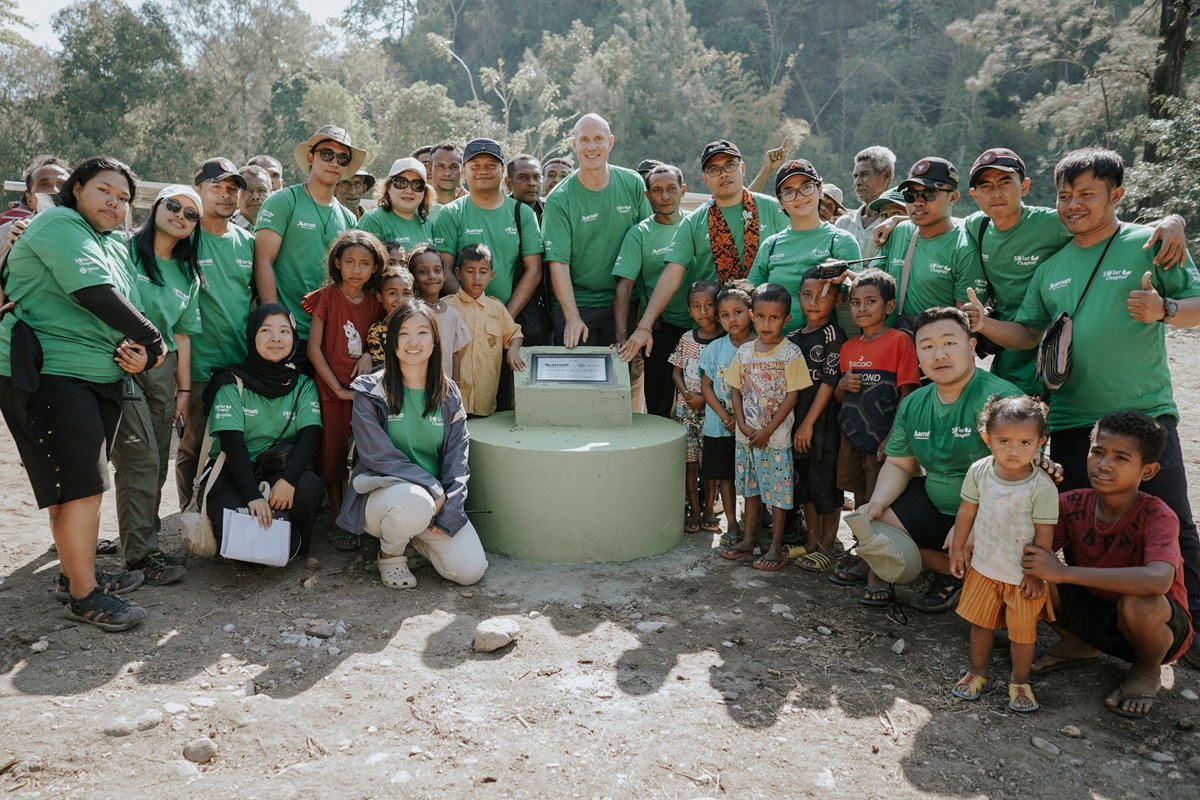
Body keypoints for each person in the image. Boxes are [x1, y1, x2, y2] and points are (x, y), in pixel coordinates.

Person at [969, 147, 1200, 665]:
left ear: (1116, 196)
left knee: (1174, 524)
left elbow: (1196, 307)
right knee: (1075, 533)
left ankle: (1190, 630)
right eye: (1065, 195)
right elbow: (1028, 333)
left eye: (1087, 194)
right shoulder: (1051, 266)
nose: (1073, 205)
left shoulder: (1151, 243)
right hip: (1074, 420)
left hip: (1142, 416)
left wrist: (1164, 309)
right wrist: (983, 325)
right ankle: (1084, 638)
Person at [0, 156, 164, 632]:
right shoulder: (59, 222)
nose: (114, 203)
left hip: (97, 377)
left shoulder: (113, 243)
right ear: (76, 189)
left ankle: (74, 574)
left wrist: (134, 350)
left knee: (71, 487)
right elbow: (92, 292)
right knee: (85, 486)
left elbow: (118, 306)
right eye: (104, 190)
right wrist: (152, 340)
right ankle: (84, 595)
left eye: (124, 198)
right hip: (50, 373)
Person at [960, 147, 1188, 395]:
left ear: (1025, 186)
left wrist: (1173, 222)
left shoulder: (1054, 223)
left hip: (1056, 348)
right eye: (986, 186)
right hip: (1009, 342)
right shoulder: (977, 226)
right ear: (974, 195)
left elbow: (1110, 231)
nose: (996, 193)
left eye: (1005, 182)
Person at [1023, 412, 1193, 718]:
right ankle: (1077, 644)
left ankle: (1146, 671)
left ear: (1148, 470)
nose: (1104, 465)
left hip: (1156, 626)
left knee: (1141, 604)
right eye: (1098, 452)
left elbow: (1158, 581)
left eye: (1121, 457)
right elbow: (1032, 547)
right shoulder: (1072, 502)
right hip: (1096, 609)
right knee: (1032, 576)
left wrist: (1063, 573)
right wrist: (1035, 484)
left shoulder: (1157, 515)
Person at [856, 307, 1023, 613]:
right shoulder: (915, 402)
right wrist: (877, 503)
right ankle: (951, 572)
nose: (939, 354)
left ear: (972, 347)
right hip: (939, 501)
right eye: (928, 346)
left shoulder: (1002, 401)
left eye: (949, 342)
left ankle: (996, 594)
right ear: (917, 354)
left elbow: (1017, 481)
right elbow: (899, 463)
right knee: (878, 525)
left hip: (993, 510)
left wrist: (969, 525)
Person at [337, 301, 489, 589]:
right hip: (385, 498)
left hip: (435, 502)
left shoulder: (448, 392)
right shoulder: (370, 391)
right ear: (392, 341)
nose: (414, 342)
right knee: (414, 503)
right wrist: (432, 487)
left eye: (422, 332)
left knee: (470, 571)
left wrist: (451, 505)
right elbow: (378, 455)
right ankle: (391, 554)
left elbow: (458, 456)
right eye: (404, 334)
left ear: (435, 340)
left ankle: (412, 538)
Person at [618, 140, 788, 363]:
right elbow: (671, 275)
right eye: (714, 169)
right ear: (705, 178)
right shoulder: (695, 221)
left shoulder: (773, 208)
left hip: (770, 328)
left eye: (730, 165)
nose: (723, 174)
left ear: (742, 168)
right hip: (717, 333)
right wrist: (644, 326)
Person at [111, 185, 205, 586]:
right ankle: (141, 556)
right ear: (156, 206)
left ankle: (142, 541)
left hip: (164, 372)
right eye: (173, 206)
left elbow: (183, 336)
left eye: (190, 213)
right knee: (139, 461)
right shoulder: (121, 249)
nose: (180, 215)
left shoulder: (188, 272)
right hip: (121, 364)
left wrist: (183, 392)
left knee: (158, 465)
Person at [949, 396, 1058, 712]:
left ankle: (1020, 681)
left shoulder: (1042, 487)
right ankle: (977, 672)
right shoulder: (980, 471)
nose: (1015, 450)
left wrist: (1036, 574)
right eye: (1004, 441)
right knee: (981, 624)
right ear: (987, 439)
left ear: (1040, 442)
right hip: (984, 567)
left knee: (1023, 635)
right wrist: (957, 548)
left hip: (1023, 576)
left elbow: (1045, 534)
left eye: (1025, 442)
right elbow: (966, 512)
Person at [200, 305, 323, 556]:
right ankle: (269, 544)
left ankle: (288, 543)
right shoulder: (231, 382)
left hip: (277, 471)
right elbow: (232, 443)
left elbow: (310, 437)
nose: (276, 338)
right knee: (244, 549)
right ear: (252, 335)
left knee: (309, 485)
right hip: (232, 474)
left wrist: (288, 479)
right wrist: (252, 496)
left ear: (294, 338)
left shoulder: (303, 384)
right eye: (266, 330)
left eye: (284, 331)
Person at [833, 270, 920, 599]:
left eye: (871, 301)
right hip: (851, 438)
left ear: (890, 306)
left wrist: (893, 438)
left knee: (878, 504)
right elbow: (842, 396)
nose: (862, 308)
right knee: (859, 499)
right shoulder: (848, 347)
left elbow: (908, 394)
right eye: (855, 302)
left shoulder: (900, 341)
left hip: (884, 440)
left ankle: (879, 573)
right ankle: (863, 556)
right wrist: (842, 386)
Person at [177, 157, 255, 508]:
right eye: (217, 187)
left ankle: (220, 513)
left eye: (232, 188)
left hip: (238, 364)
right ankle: (187, 514)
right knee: (193, 444)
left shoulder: (247, 241)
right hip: (196, 367)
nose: (226, 195)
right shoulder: (183, 237)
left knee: (234, 442)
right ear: (198, 190)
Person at [254, 125, 363, 369]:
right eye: (327, 154)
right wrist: (275, 321)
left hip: (330, 336)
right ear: (310, 157)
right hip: (287, 333)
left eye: (342, 158)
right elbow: (263, 260)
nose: (334, 162)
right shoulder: (283, 201)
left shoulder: (349, 218)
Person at [718, 283, 811, 571]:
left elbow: (792, 395)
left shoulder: (791, 353)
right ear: (751, 315)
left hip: (776, 439)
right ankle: (748, 539)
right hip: (746, 438)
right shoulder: (745, 352)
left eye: (774, 318)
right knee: (751, 489)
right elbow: (735, 389)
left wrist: (767, 431)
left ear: (786, 319)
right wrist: (744, 426)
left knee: (779, 493)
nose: (766, 324)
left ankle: (775, 546)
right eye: (760, 316)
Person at [302, 230, 385, 550]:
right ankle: (340, 520)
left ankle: (366, 517)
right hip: (329, 391)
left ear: (375, 268)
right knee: (332, 457)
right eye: (349, 261)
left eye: (364, 263)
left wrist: (366, 353)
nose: (356, 269)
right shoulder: (325, 298)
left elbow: (379, 338)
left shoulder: (376, 302)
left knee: (366, 455)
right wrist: (335, 388)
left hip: (367, 394)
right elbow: (313, 349)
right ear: (337, 262)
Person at [542, 113, 652, 348]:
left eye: (598, 139)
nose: (591, 147)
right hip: (579, 304)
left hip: (626, 302)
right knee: (577, 381)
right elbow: (558, 263)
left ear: (610, 142)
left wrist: (646, 309)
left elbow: (647, 246)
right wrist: (572, 317)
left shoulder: (632, 183)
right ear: (574, 145)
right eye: (584, 140)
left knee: (625, 380)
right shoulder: (559, 199)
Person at [432, 139, 543, 321]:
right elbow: (445, 269)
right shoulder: (451, 213)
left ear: (502, 170)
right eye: (475, 166)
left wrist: (505, 318)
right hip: (464, 319)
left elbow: (534, 270)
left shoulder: (522, 213)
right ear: (463, 171)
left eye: (491, 165)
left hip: (512, 318)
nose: (483, 171)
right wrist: (471, 312)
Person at [747, 159, 861, 336]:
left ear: (820, 190)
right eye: (789, 192)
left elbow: (857, 301)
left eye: (806, 187)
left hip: (824, 352)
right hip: (772, 349)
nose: (799, 196)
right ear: (781, 202)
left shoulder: (841, 241)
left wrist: (846, 279)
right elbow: (750, 295)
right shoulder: (771, 245)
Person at [612, 164, 690, 417]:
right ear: (647, 196)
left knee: (699, 402)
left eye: (671, 189)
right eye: (657, 190)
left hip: (702, 328)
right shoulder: (639, 234)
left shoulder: (697, 224)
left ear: (683, 191)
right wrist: (623, 337)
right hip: (660, 329)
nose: (664, 196)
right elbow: (624, 287)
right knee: (659, 406)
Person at [873, 157, 986, 326]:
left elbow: (964, 325)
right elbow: (873, 282)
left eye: (929, 194)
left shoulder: (964, 249)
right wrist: (843, 276)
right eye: (910, 195)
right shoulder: (898, 231)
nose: (918, 202)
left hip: (935, 349)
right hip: (892, 346)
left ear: (953, 197)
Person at [787, 267, 847, 571]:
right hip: (795, 426)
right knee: (806, 486)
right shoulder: (792, 337)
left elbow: (829, 381)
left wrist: (808, 423)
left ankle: (827, 546)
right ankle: (812, 541)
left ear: (837, 300)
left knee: (827, 488)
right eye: (807, 295)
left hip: (822, 426)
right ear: (799, 298)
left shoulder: (833, 335)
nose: (813, 302)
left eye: (822, 296)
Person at [700, 281, 755, 546]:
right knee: (726, 476)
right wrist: (725, 415)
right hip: (720, 426)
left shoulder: (762, 345)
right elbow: (706, 386)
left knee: (755, 476)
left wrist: (743, 419)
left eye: (738, 312)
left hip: (755, 427)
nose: (731, 319)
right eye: (724, 315)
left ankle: (754, 525)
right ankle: (732, 523)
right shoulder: (714, 349)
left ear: (751, 312)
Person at [444, 243, 526, 416]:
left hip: (485, 402)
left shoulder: (496, 308)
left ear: (491, 275)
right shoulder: (446, 306)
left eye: (483, 272)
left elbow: (514, 334)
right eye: (470, 271)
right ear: (458, 273)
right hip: (452, 400)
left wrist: (513, 349)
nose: (476, 277)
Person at [668, 280, 723, 534]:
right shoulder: (686, 339)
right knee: (690, 463)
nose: (703, 311)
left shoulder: (726, 341)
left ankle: (710, 509)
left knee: (711, 463)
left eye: (709, 305)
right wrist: (685, 394)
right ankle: (694, 510)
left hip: (714, 412)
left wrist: (704, 398)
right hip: (687, 412)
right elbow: (676, 372)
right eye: (696, 306)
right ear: (689, 310)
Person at [409, 242, 470, 382]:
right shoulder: (411, 312)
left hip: (445, 390)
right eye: (423, 271)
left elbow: (454, 355)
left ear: (445, 274)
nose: (431, 276)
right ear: (412, 276)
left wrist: (456, 391)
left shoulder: (452, 314)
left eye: (437, 270)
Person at [358, 157, 435, 251]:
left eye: (417, 185)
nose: (409, 191)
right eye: (401, 183)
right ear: (388, 187)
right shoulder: (373, 220)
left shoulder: (428, 224)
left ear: (425, 192)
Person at [835, 146, 896, 259]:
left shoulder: (897, 225)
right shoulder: (843, 223)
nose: (857, 182)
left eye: (864, 174)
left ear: (886, 175)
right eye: (855, 176)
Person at [364, 264, 416, 371]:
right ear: (379, 297)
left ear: (414, 296)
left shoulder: (421, 327)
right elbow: (381, 367)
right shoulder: (377, 331)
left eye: (406, 293)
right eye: (393, 293)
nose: (400, 299)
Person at [0, 155, 70, 225]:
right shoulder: (7, 233)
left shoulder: (80, 228)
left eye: (62, 185)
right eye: (44, 184)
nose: (54, 191)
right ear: (29, 200)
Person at [505, 153, 544, 221]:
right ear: (509, 183)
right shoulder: (497, 212)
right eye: (523, 177)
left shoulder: (553, 210)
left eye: (537, 177)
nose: (532, 183)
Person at [234, 165, 272, 231]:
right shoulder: (226, 228)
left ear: (271, 194)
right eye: (248, 189)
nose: (255, 196)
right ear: (236, 194)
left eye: (262, 190)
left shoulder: (281, 227)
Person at [429, 140, 465, 207]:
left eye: (454, 166)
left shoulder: (469, 208)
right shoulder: (416, 207)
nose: (447, 173)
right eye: (441, 166)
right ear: (430, 169)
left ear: (462, 171)